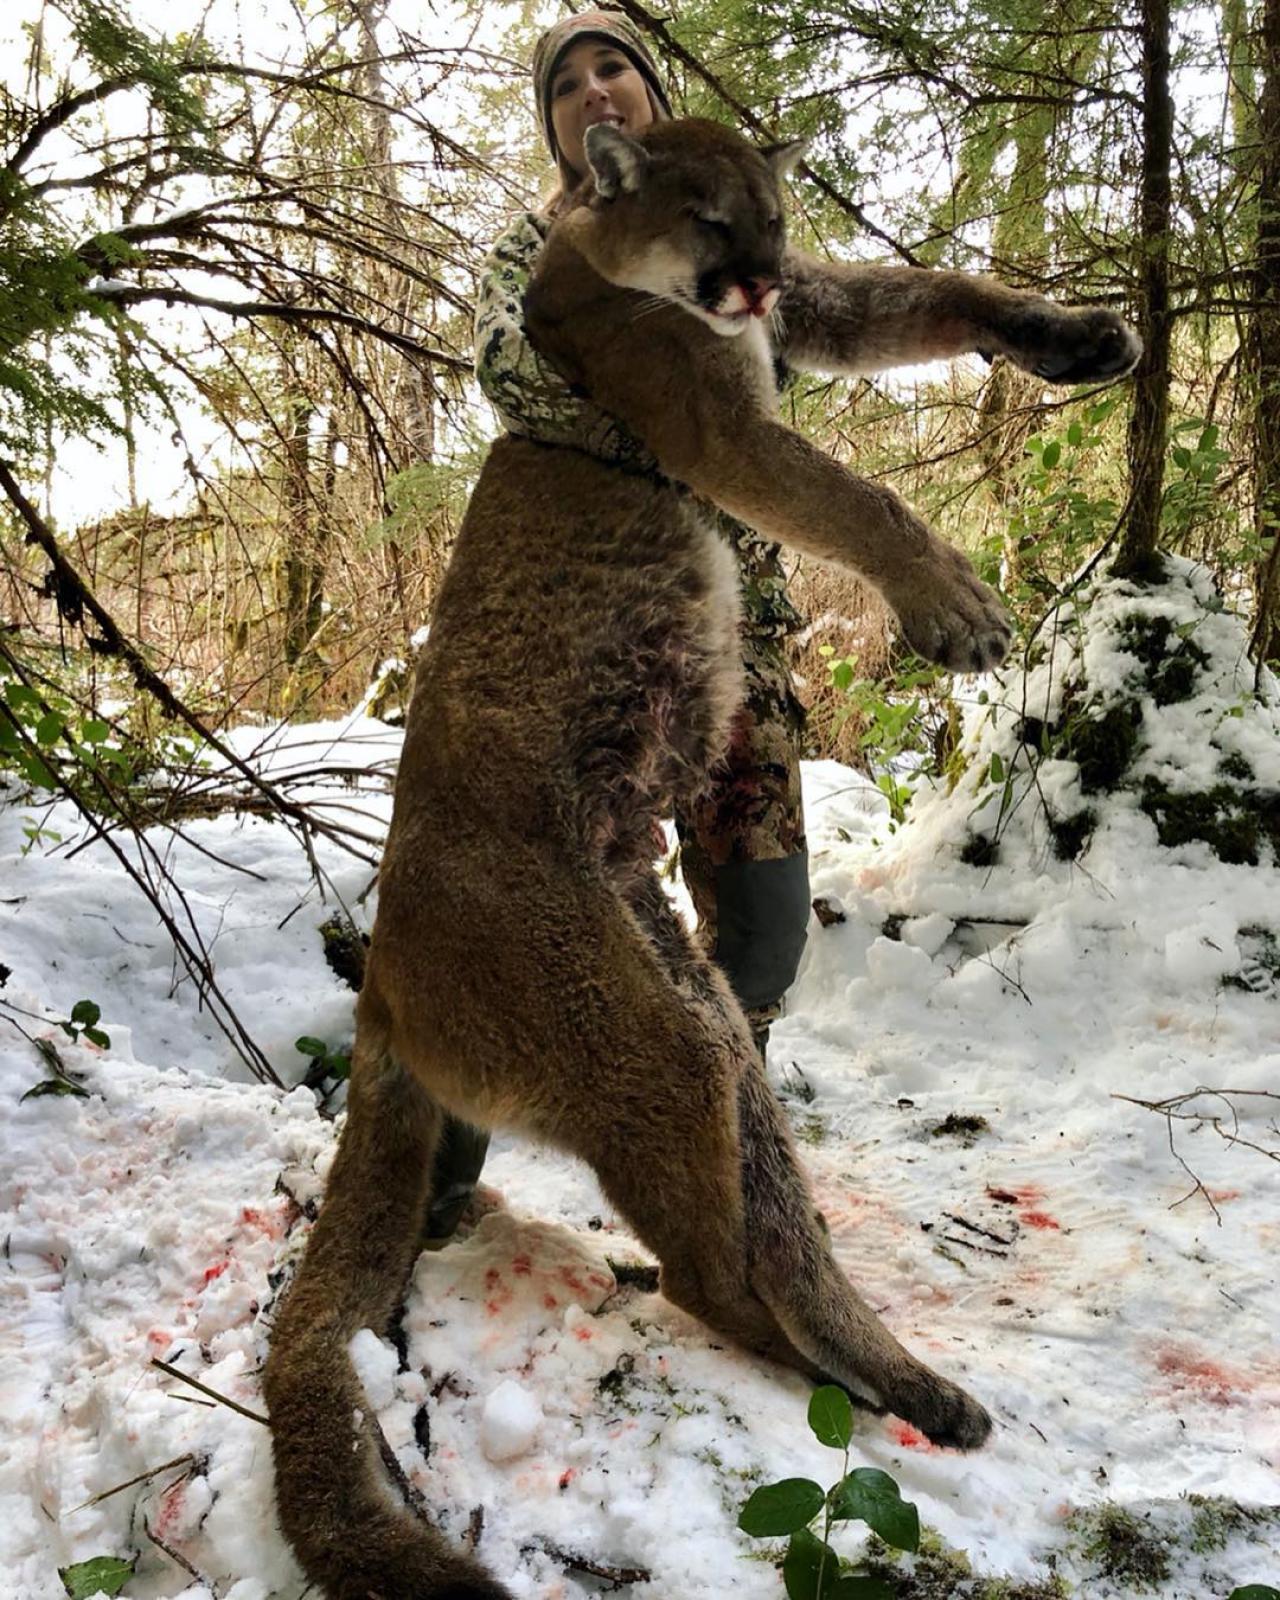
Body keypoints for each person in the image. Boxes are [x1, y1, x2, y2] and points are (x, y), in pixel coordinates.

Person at [425, 6, 811, 1242]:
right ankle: (427, 1173)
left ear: (651, 98)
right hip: (583, 649)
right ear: (553, 127)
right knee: (503, 907)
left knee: (760, 932)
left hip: (731, 650)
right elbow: (514, 369)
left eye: (615, 69)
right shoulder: (532, 256)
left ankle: (711, 1144)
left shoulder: (738, 240)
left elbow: (795, 359)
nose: (595, 91)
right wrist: (681, 400)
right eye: (568, 84)